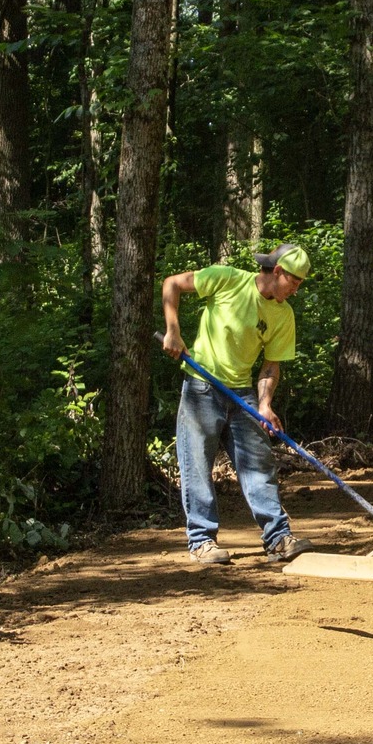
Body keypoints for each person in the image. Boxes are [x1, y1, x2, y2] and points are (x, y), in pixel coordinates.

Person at [160, 242, 314, 566]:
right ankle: (201, 540)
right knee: (197, 465)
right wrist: (173, 331)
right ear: (278, 272)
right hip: (201, 387)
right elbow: (172, 283)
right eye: (295, 282)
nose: (297, 290)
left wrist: (264, 404)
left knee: (259, 463)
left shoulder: (283, 314)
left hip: (241, 393)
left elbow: (271, 365)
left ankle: (278, 539)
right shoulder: (227, 279)